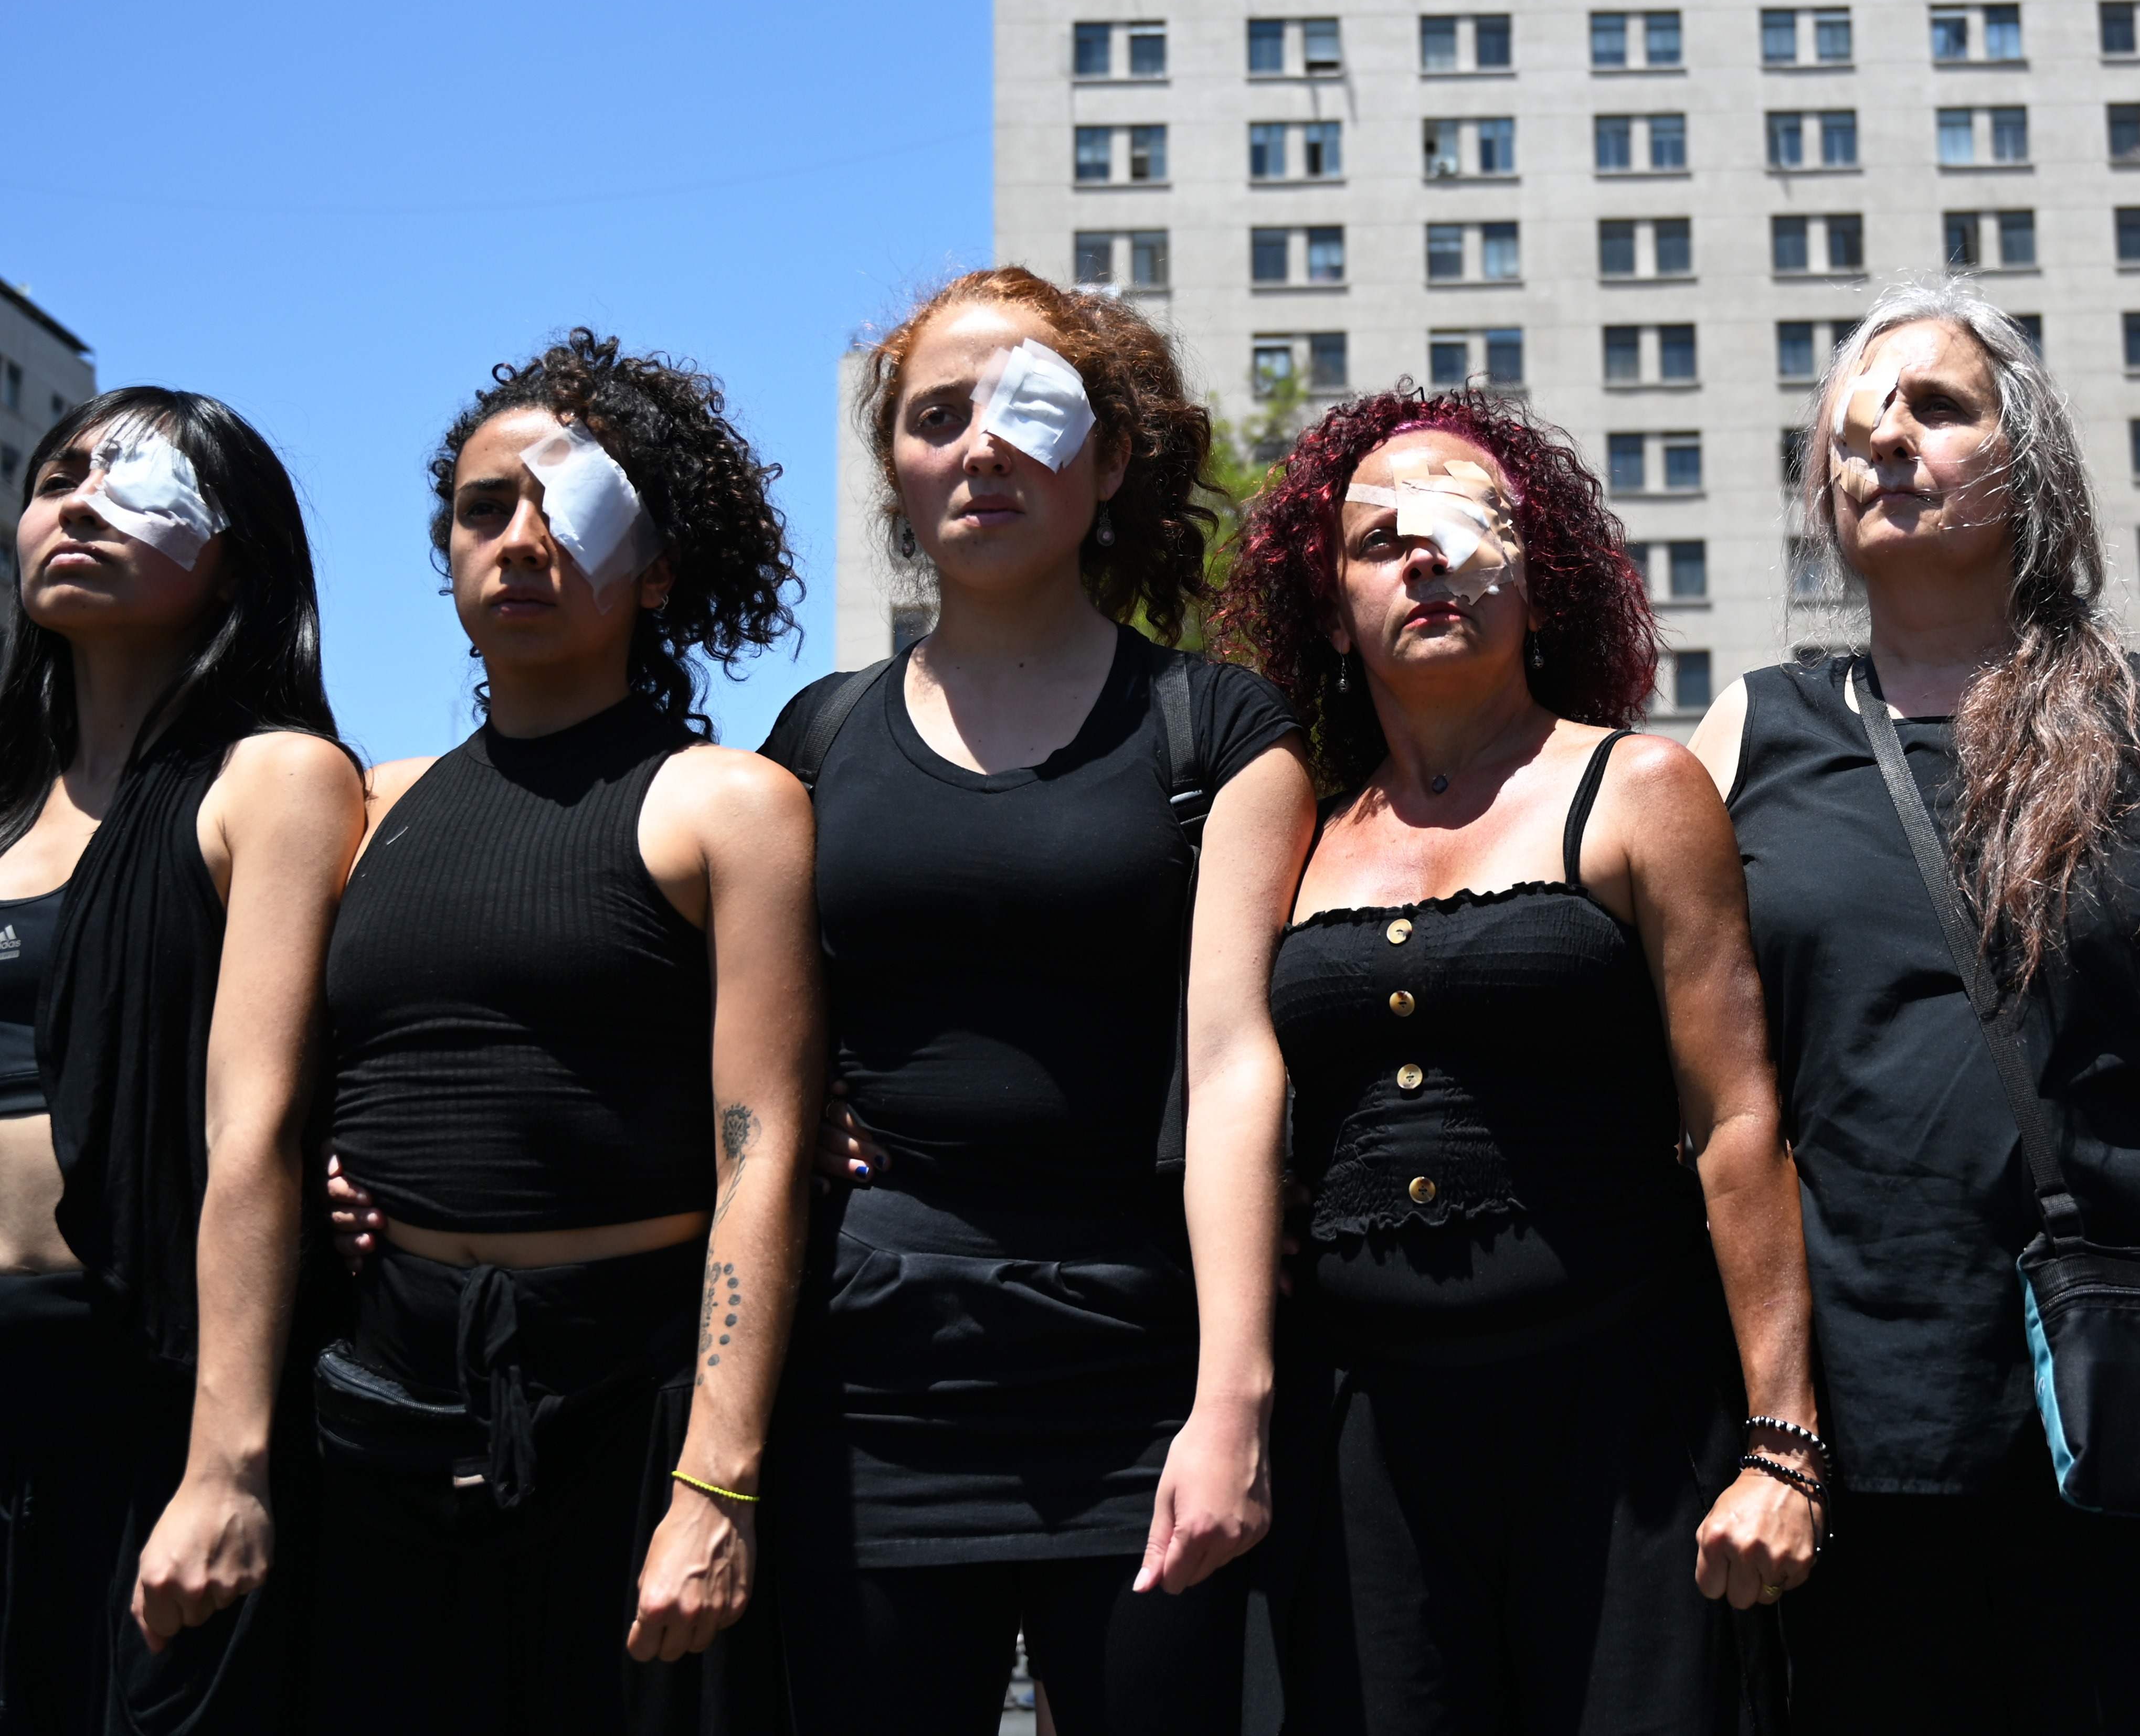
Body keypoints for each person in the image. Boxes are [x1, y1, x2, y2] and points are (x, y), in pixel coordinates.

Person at [1689, 277, 2140, 1734]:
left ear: (2033, 460)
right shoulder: (1750, 730)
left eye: (1938, 406)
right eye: (1854, 427)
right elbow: (1713, 1107)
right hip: (1856, 1445)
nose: (1886, 442)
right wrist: (1769, 1431)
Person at [1212, 386, 1818, 1734]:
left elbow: (1736, 1120)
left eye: (1468, 523)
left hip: (1625, 1435)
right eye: (1383, 539)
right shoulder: (1292, 828)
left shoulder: (1646, 789)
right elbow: (1225, 1083)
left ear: (1538, 587)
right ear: (1328, 608)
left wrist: (1785, 1440)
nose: (1428, 557)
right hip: (1361, 1439)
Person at [756, 270, 1309, 1735]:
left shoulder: (1220, 727)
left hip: (1141, 1374)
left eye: (1029, 410)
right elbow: (735, 1051)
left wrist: (1232, 1400)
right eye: (939, 417)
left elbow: (1238, 1062)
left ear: (1110, 458)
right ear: (895, 466)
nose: (981, 448)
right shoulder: (808, 742)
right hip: (867, 1380)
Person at [312, 331, 819, 1730]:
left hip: (633, 1403)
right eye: (485, 509)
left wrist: (715, 1485)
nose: (520, 541)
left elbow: (762, 1155)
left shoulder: (729, 805)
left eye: (571, 507)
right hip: (381, 1406)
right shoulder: (366, 808)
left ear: (658, 570)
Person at [2, 388, 362, 1731]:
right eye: (56, 476)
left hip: (147, 1389)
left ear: (233, 553)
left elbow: (252, 1128)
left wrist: (228, 1464)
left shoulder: (270, 780)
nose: (77, 500)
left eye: (133, 480)